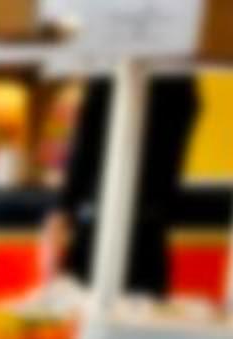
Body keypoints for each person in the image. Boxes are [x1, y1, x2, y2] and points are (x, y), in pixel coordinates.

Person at [51, 72, 205, 300]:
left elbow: (86, 148)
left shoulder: (114, 77)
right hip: (149, 228)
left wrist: (62, 212)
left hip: (100, 224)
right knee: (142, 312)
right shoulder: (180, 83)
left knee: (86, 309)